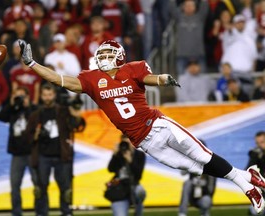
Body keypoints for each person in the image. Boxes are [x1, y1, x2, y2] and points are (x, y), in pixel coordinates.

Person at [18, 39, 265, 214]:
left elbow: (149, 78)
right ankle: (248, 176)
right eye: (101, 55)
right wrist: (32, 64)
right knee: (190, 166)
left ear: (119, 56)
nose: (103, 58)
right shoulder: (91, 80)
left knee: (201, 154)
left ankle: (245, 185)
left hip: (157, 125)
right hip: (143, 142)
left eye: (107, 54)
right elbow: (61, 80)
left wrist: (162, 79)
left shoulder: (133, 68)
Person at [26, 83, 86, 216]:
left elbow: (77, 127)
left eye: (50, 94)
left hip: (61, 155)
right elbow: (28, 136)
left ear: (54, 95)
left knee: (65, 189)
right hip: (42, 155)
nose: (47, 98)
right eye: (45, 95)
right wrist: (35, 134)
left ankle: (66, 212)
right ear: (41, 96)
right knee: (41, 188)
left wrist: (76, 116)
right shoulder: (36, 114)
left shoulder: (63, 111)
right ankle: (42, 213)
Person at [0, 86, 38, 216]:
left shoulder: (33, 109)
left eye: (22, 96)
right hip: (17, 154)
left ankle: (40, 212)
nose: (20, 99)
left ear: (28, 96)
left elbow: (37, 118)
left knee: (38, 185)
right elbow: (1, 117)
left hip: (32, 152)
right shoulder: (13, 110)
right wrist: (11, 103)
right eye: (17, 95)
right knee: (15, 187)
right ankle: (16, 213)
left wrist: (27, 105)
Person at [107, 134, 146, 216]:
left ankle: (138, 213)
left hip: (134, 185)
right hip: (120, 188)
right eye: (125, 143)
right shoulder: (118, 154)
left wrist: (130, 160)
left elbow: (138, 175)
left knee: (140, 191)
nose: (127, 146)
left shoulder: (139, 155)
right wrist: (114, 155)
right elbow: (110, 169)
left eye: (129, 143)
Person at [179, 140, 216, 216]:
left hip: (203, 197)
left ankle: (205, 213)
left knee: (206, 200)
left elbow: (211, 187)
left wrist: (202, 186)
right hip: (191, 195)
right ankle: (182, 213)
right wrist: (187, 161)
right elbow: (182, 173)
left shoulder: (209, 164)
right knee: (187, 183)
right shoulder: (191, 162)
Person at [247, 131, 265, 216]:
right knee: (255, 212)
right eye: (257, 143)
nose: (259, 145)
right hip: (262, 192)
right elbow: (248, 171)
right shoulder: (256, 154)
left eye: (262, 142)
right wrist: (254, 156)